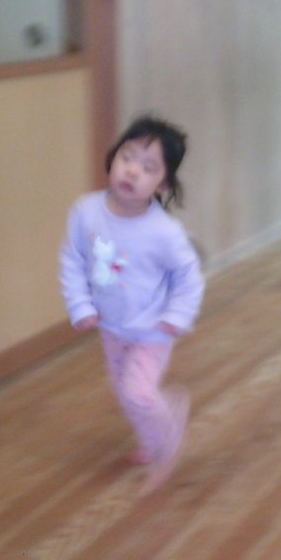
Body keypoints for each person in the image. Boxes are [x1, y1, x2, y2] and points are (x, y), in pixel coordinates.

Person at [59, 115, 204, 494]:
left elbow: (188, 275)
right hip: (112, 326)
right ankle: (155, 433)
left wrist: (177, 315)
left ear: (163, 184)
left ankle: (168, 440)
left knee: (138, 392)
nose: (133, 170)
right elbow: (72, 258)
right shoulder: (86, 211)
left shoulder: (163, 231)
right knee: (125, 392)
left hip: (153, 328)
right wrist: (80, 305)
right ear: (113, 158)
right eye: (127, 157)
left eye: (148, 167)